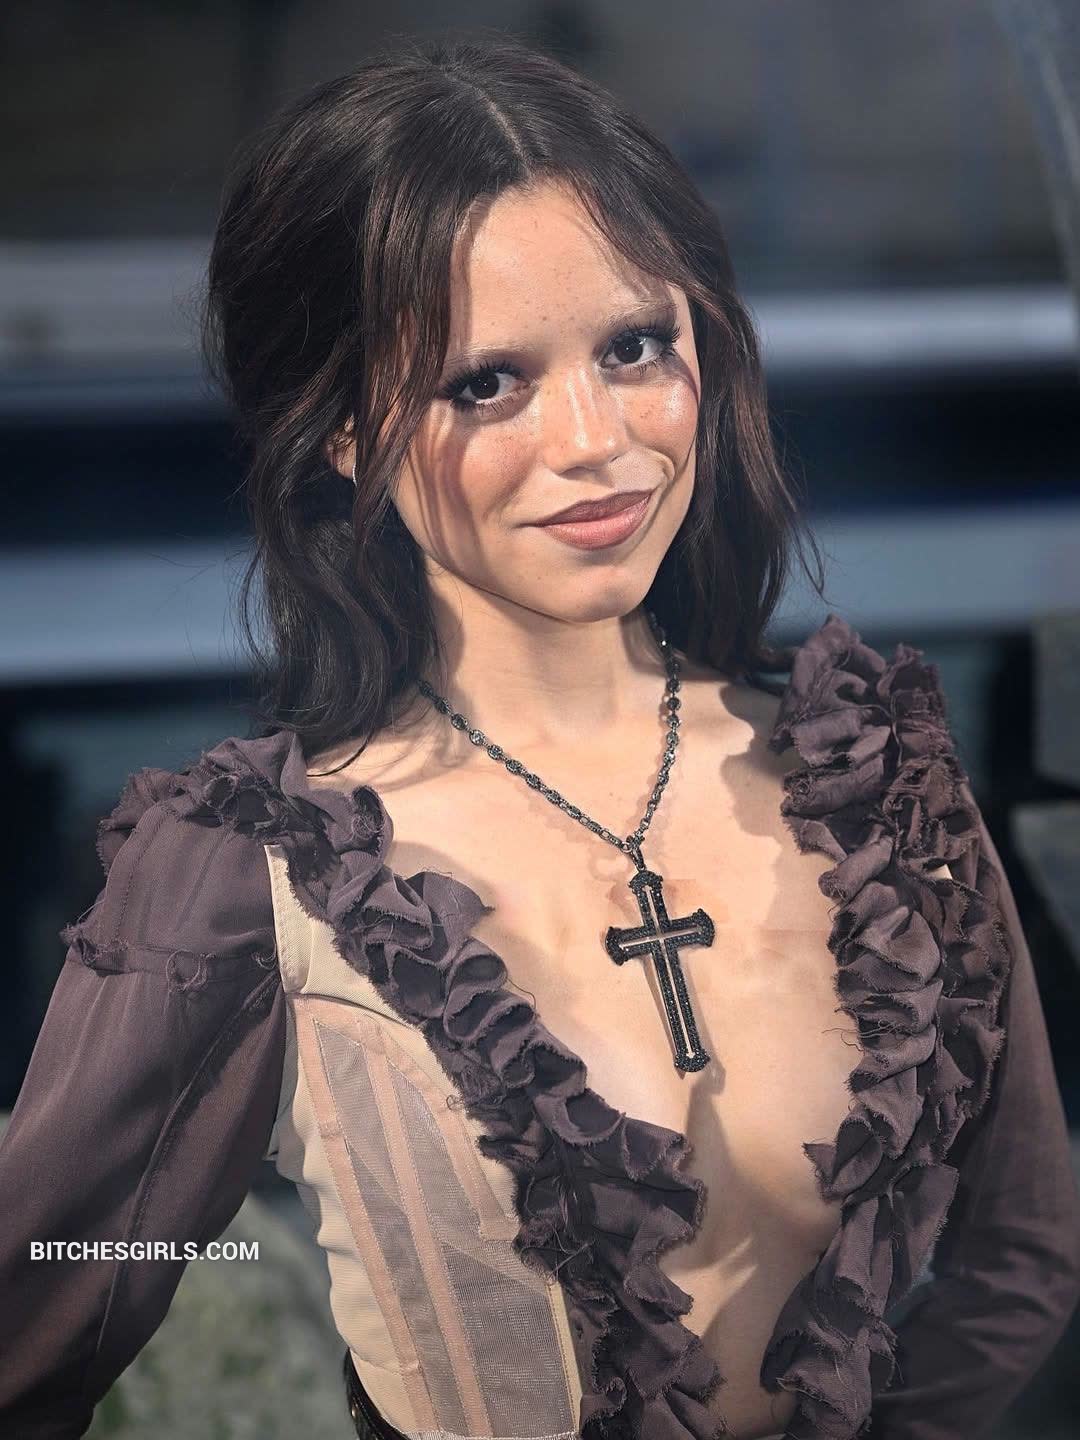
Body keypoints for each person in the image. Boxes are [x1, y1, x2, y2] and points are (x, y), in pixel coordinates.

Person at [1, 30, 1078, 1440]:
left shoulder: (880, 788)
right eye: (485, 383)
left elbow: (1021, 1253)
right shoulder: (246, 876)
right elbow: (44, 1305)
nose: (595, 440)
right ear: (342, 430)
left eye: (636, 346)